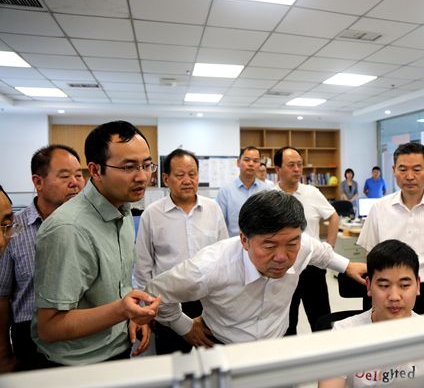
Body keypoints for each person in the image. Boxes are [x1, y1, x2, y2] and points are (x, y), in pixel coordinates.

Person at [144, 190, 366, 346]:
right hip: (225, 347)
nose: (282, 257)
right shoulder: (209, 267)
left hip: (276, 344)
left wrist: (347, 266)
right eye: (269, 246)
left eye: (292, 244)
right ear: (244, 240)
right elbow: (154, 293)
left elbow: (321, 253)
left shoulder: (302, 245)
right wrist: (183, 326)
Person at [32, 121, 160, 367]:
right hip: (78, 366)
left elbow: (117, 290)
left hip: (118, 348)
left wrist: (131, 316)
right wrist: (121, 311)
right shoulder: (68, 229)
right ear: (95, 170)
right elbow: (50, 327)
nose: (142, 176)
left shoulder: (123, 210)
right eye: (128, 167)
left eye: (146, 165)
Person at [318, 239, 424, 388]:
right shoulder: (343, 333)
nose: (394, 297)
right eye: (384, 285)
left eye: (404, 285)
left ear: (418, 286)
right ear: (369, 286)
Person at [134, 148, 228, 354]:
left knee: (213, 361)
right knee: (174, 362)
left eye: (192, 174)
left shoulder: (213, 209)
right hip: (168, 302)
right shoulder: (152, 214)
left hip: (209, 302)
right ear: (166, 179)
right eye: (180, 175)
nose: (187, 180)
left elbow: (225, 256)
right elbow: (143, 267)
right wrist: (147, 310)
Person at [0, 145, 85, 372]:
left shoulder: (89, 226)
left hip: (82, 331)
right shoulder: (11, 229)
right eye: (65, 176)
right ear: (38, 182)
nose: (75, 183)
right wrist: (4, 355)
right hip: (30, 335)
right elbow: (2, 296)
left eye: (79, 175)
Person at [357, 143, 424, 314]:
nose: (409, 176)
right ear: (394, 170)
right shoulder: (379, 208)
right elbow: (370, 257)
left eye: (417, 170)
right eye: (402, 169)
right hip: (387, 292)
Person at [274, 146, 339, 334]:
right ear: (278, 169)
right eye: (291, 165)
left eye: (299, 165)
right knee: (287, 323)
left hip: (313, 266)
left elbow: (333, 216)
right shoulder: (270, 197)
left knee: (321, 320)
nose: (297, 169)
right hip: (284, 269)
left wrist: (329, 247)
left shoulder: (312, 192)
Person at [217, 146, 269, 237]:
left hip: (261, 242)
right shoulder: (225, 191)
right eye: (247, 160)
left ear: (259, 165)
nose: (251, 164)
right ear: (238, 162)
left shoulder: (267, 190)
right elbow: (220, 224)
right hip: (234, 242)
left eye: (255, 161)